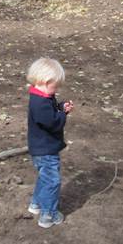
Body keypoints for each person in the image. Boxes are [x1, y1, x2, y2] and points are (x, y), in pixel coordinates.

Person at [26, 57, 73, 228]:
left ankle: (36, 204)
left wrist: (60, 108)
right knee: (52, 181)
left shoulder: (43, 97)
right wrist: (62, 115)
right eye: (56, 86)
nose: (57, 89)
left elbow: (50, 114)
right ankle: (49, 214)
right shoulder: (40, 103)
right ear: (46, 82)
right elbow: (52, 123)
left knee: (44, 178)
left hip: (42, 148)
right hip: (45, 151)